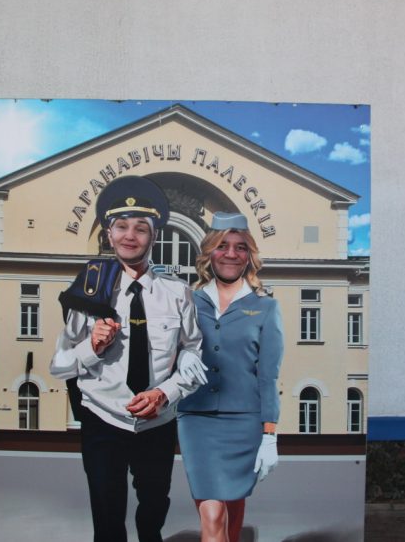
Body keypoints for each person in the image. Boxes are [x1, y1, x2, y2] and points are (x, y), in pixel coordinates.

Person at [50, 175, 206, 542]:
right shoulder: (89, 292)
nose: (130, 235)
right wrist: (91, 347)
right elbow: (58, 365)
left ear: (155, 235)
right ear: (109, 234)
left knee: (154, 507)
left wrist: (165, 393)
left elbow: (193, 353)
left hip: (157, 421)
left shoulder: (177, 293)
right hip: (103, 418)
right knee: (107, 515)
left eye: (141, 228)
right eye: (121, 226)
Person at [177, 212, 285, 542]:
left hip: (245, 422)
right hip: (196, 419)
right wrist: (181, 355)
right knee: (212, 513)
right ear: (210, 252)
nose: (231, 254)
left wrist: (269, 434)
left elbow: (268, 376)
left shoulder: (265, 308)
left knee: (233, 510)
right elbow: (166, 350)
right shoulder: (188, 301)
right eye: (222, 246)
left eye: (240, 247)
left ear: (249, 255)